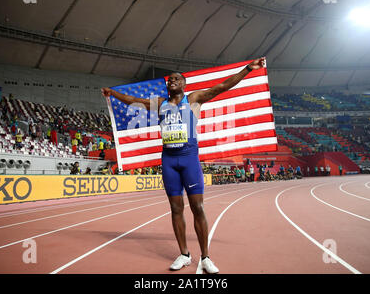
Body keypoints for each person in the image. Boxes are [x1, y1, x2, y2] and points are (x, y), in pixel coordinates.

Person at [102, 57, 267, 273]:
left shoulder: (193, 100)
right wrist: (112, 93)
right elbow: (132, 99)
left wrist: (247, 69)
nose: (171, 80)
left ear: (184, 84)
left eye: (176, 79)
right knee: (175, 208)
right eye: (169, 79)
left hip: (189, 158)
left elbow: (223, 86)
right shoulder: (160, 104)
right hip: (169, 160)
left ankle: (206, 257)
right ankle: (184, 254)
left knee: (198, 207)